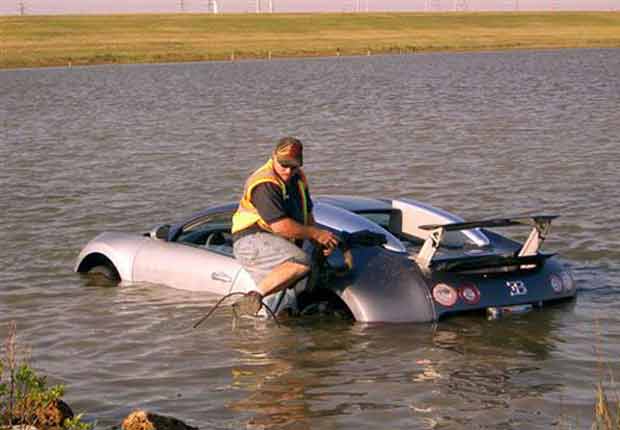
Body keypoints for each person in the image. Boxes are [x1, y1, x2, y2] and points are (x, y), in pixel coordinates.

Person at [231, 136, 339, 317]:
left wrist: (319, 241)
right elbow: (280, 226)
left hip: (278, 243)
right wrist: (316, 234)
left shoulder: (298, 180)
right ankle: (253, 297)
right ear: (273, 156)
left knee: (290, 300)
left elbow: (307, 216)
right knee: (301, 262)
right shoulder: (265, 183)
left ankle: (273, 325)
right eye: (284, 165)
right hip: (251, 239)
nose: (288, 171)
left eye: (293, 166)